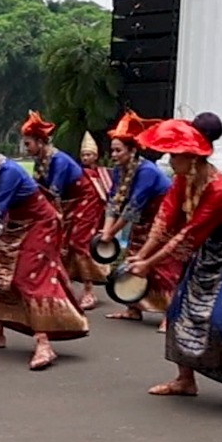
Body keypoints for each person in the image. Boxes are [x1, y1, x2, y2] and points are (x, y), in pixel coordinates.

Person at [126, 113, 222, 428]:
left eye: (175, 155)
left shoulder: (220, 190)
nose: (170, 160)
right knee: (180, 307)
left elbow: (187, 235)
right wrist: (139, 257)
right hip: (212, 247)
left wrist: (148, 264)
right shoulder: (182, 181)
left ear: (193, 157)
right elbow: (164, 222)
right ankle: (185, 379)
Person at [0, 114, 88, 370]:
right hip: (17, 224)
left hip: (40, 224)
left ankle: (44, 344)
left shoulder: (8, 171)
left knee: (27, 278)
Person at [96, 111, 177, 330]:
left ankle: (170, 314)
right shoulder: (118, 172)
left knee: (162, 266)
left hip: (164, 219)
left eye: (118, 150)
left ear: (132, 151)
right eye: (112, 150)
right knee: (133, 258)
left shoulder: (147, 171)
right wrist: (106, 233)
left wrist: (110, 234)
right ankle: (133, 307)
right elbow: (113, 203)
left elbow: (132, 208)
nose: (113, 154)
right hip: (143, 220)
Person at [20, 111, 108, 311]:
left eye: (28, 144)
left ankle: (88, 291)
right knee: (61, 244)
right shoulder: (40, 160)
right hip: (66, 201)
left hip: (85, 198)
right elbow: (37, 188)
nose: (26, 148)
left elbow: (53, 191)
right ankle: (64, 288)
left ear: (40, 142)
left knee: (78, 243)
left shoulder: (57, 160)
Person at [80, 132, 113, 204]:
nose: (85, 158)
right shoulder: (79, 173)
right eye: (83, 155)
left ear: (96, 156)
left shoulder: (105, 172)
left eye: (88, 155)